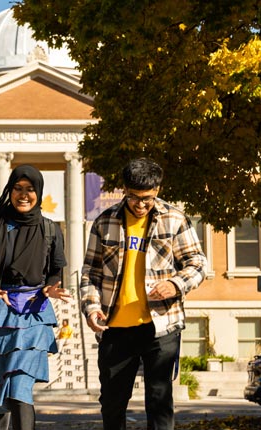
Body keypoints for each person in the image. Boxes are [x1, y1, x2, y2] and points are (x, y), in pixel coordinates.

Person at [81, 157, 207, 430]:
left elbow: (198, 263)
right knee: (113, 402)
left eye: (147, 198)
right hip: (115, 327)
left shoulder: (174, 219)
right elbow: (90, 272)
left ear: (158, 190)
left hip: (161, 326)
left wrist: (175, 284)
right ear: (124, 190)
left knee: (159, 399)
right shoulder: (105, 221)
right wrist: (91, 308)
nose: (140, 204)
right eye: (134, 197)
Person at [0, 164, 72, 430]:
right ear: (10, 191)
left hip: (32, 315)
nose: (24, 195)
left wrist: (50, 288)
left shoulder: (50, 229)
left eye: (30, 189)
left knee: (20, 388)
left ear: (39, 193)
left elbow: (55, 272)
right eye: (18, 189)